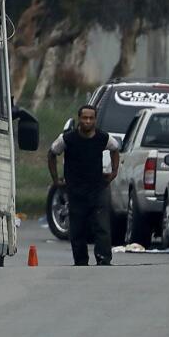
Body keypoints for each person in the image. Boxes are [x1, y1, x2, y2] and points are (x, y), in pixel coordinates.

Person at [48, 104, 119, 266]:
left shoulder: (103, 138)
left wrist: (114, 172)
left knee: (102, 227)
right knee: (77, 227)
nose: (87, 121)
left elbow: (115, 150)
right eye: (84, 118)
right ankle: (80, 261)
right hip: (76, 189)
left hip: (97, 188)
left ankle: (104, 259)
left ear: (95, 120)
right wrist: (56, 179)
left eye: (91, 118)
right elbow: (52, 153)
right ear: (79, 119)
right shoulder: (68, 138)